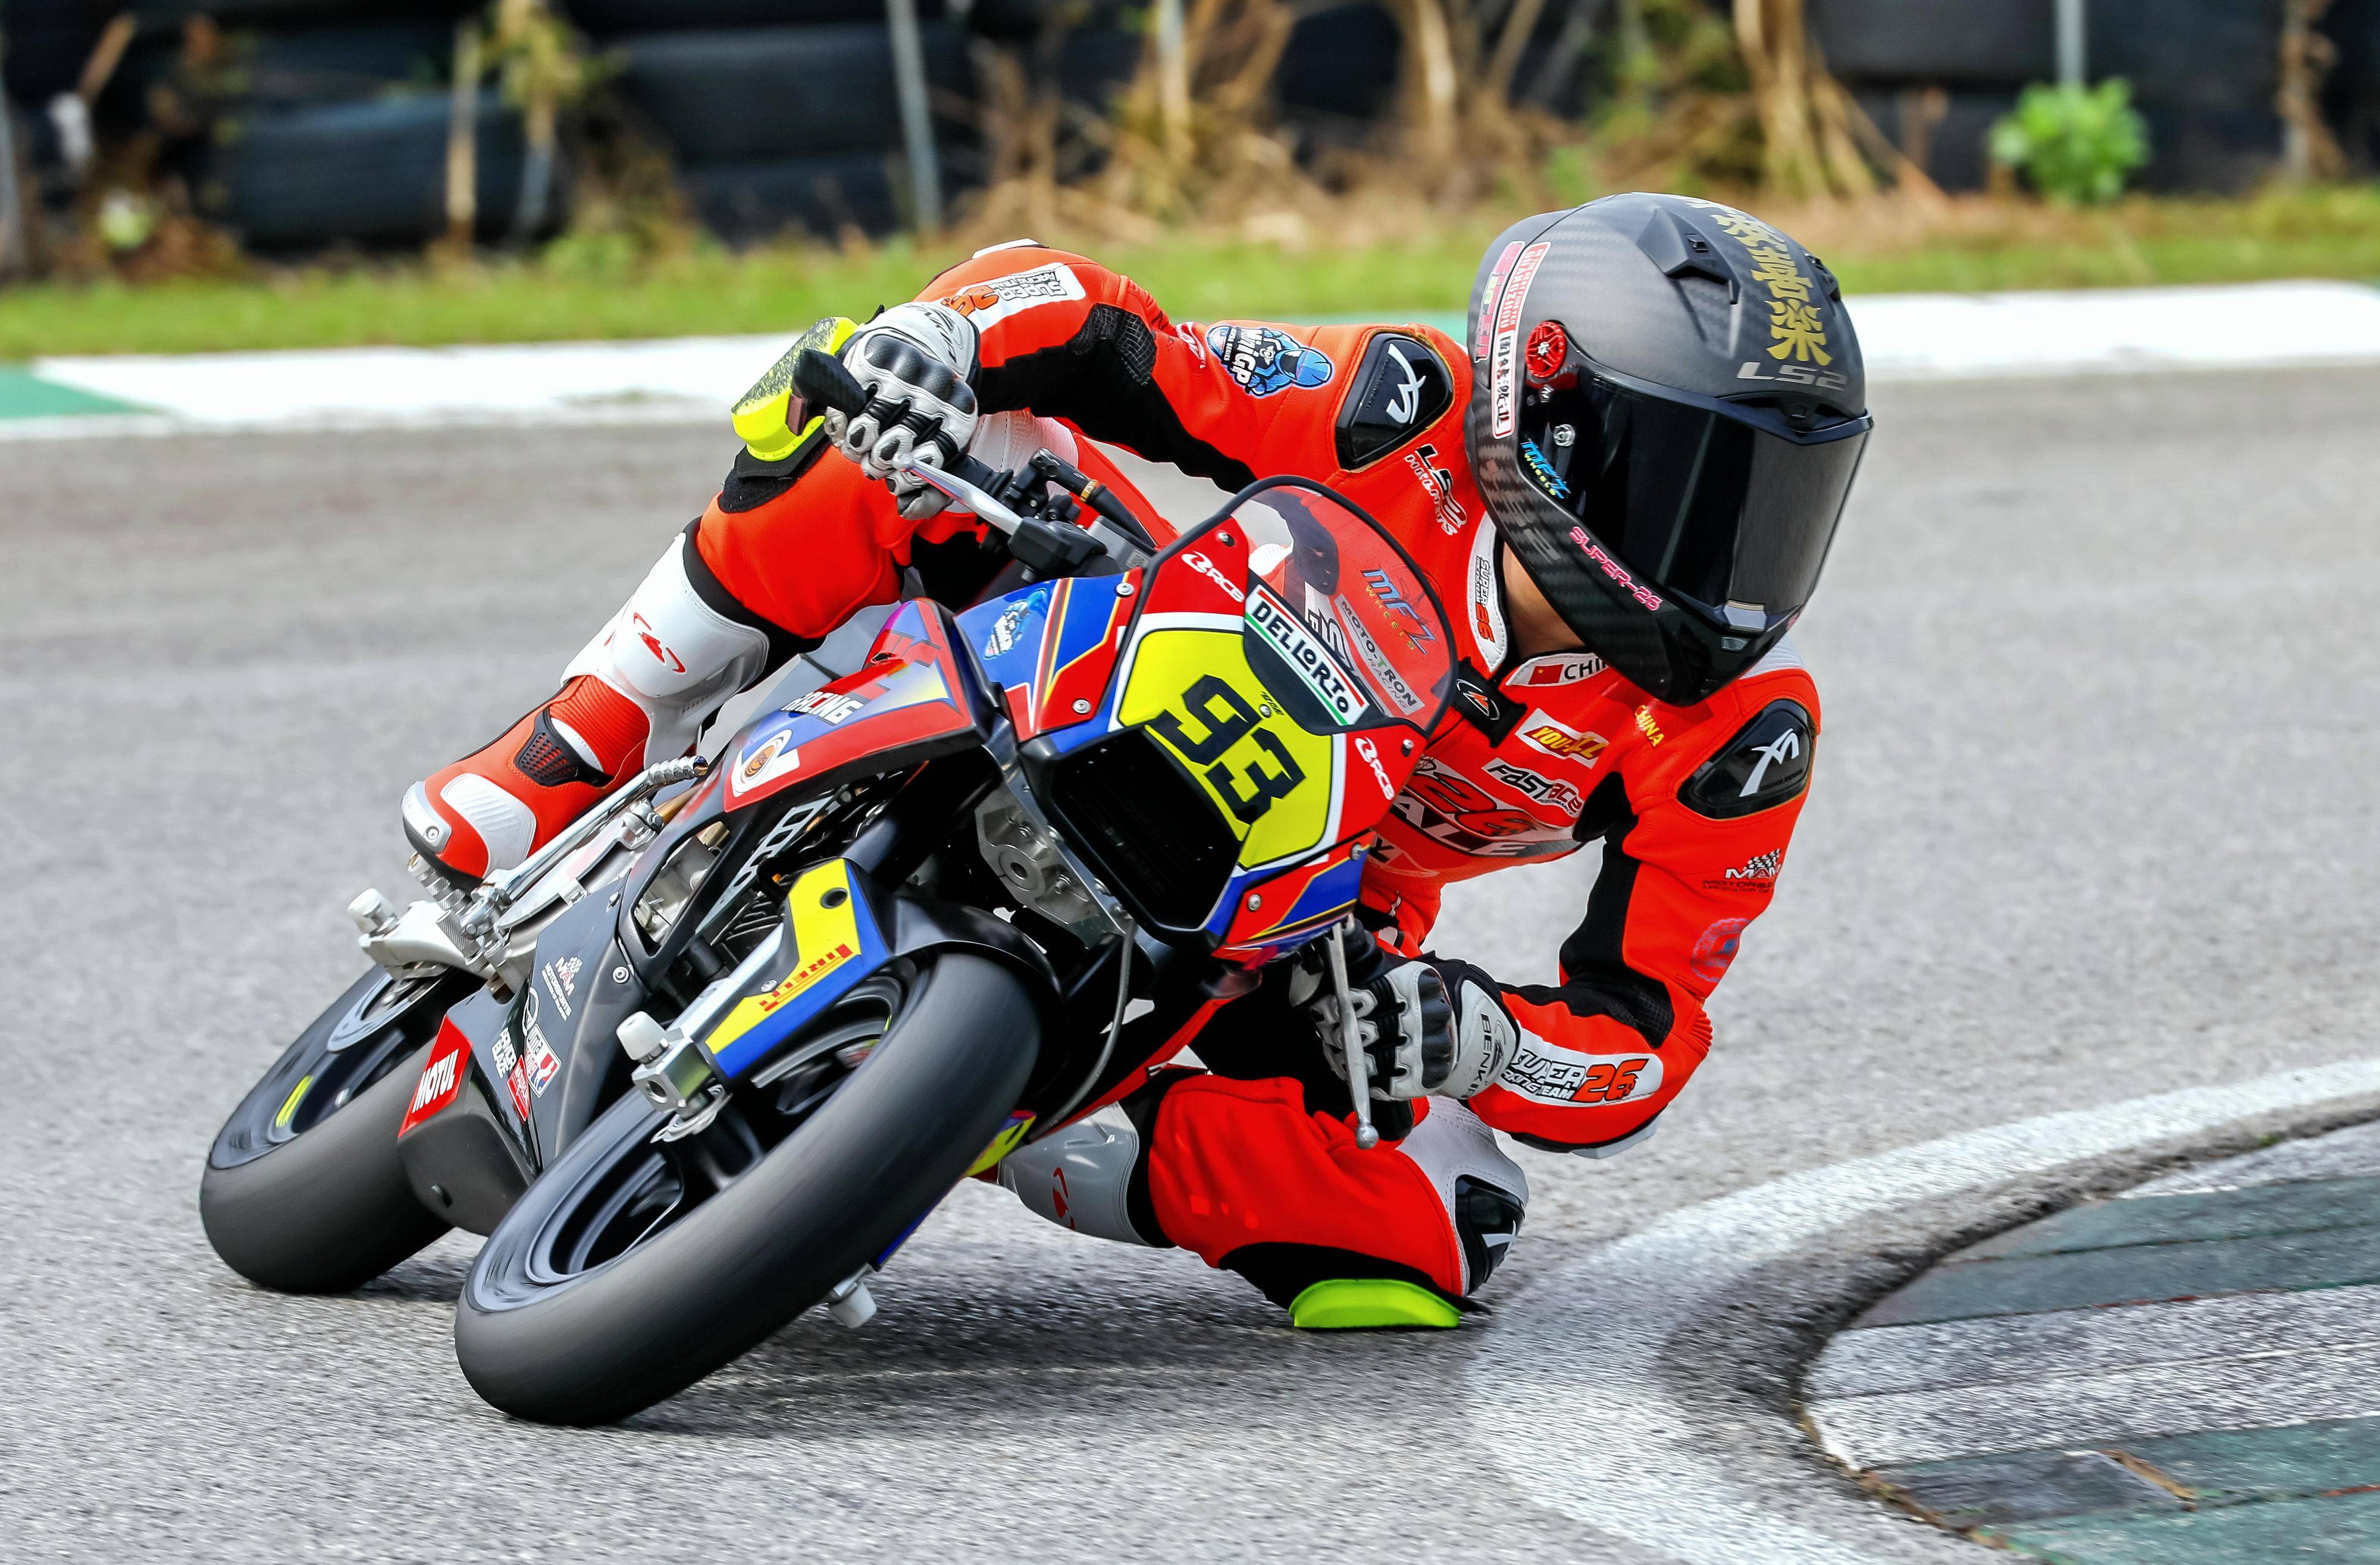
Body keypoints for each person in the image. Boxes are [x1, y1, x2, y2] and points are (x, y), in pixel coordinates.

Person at [402, 194, 1871, 1329]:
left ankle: (962, 1124)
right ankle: (581, 739)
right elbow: (1117, 337)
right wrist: (944, 340)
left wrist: (1480, 1036)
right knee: (892, 411)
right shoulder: (1399, 408)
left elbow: (1643, 1037)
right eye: (1699, 490)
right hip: (1114, 655)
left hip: (1310, 918)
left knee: (1440, 1223)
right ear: (1548, 420)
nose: (1732, 567)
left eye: (1777, 509)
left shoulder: (1737, 731)